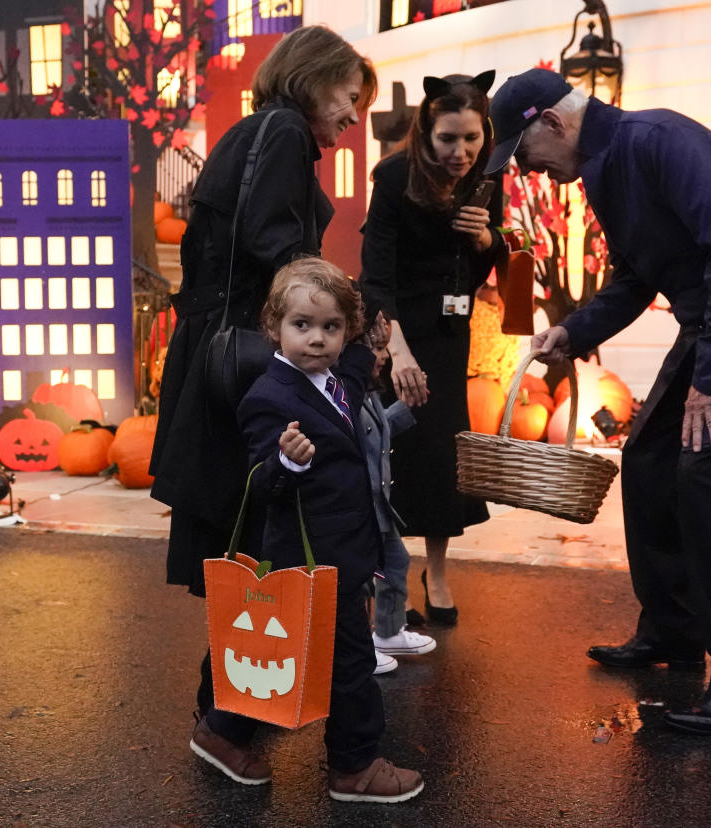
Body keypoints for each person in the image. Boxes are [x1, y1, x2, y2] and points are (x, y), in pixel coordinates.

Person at [486, 68, 711, 734]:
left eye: (525, 155)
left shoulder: (661, 140)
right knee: (648, 456)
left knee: (707, 477)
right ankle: (675, 632)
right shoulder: (600, 169)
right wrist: (573, 329)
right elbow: (636, 279)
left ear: (553, 123)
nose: (529, 171)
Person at [148, 25, 376, 598]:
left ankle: (243, 672)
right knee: (253, 532)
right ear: (313, 78)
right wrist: (340, 306)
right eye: (350, 97)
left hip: (219, 344)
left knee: (241, 536)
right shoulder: (285, 131)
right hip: (248, 348)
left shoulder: (259, 131)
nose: (353, 116)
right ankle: (245, 675)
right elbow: (275, 245)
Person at [190, 257, 424, 803]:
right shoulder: (269, 397)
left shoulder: (330, 378)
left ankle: (221, 732)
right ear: (274, 327)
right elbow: (257, 482)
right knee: (349, 665)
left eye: (330, 328)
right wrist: (286, 463)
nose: (317, 339)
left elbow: (350, 372)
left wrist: (373, 343)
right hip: (308, 555)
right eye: (302, 326)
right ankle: (355, 768)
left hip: (344, 552)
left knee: (286, 657)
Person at [359, 71, 504, 626]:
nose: (461, 151)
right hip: (393, 335)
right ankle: (386, 572)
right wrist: (397, 351)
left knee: (442, 459)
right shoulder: (394, 176)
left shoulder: (485, 179)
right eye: (449, 139)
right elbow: (375, 278)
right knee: (391, 457)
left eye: (471, 138)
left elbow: (489, 263)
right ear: (425, 132)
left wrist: (487, 239)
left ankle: (436, 573)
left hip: (448, 338)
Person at [360, 320, 437, 668]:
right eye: (374, 351)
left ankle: (388, 632)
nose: (381, 358)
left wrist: (404, 407)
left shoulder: (372, 393)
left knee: (396, 564)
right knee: (361, 579)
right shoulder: (347, 396)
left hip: (382, 507)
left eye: (383, 351)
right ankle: (358, 648)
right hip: (359, 510)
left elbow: (381, 431)